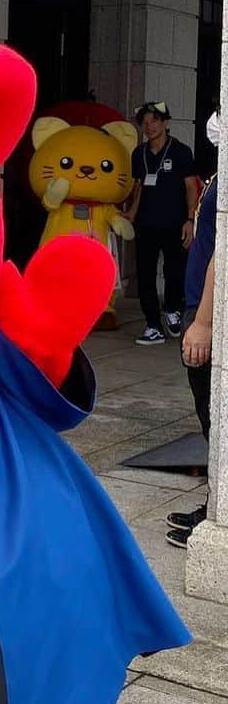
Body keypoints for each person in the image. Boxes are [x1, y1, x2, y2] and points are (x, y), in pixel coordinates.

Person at [166, 110, 219, 548]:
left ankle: (217, 512)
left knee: (213, 418)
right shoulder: (219, 175)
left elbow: (223, 255)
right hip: (197, 305)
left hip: (209, 315)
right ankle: (215, 505)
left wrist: (201, 322)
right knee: (210, 419)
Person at [124, 102, 199, 346]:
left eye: (154, 121)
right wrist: (132, 213)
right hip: (146, 223)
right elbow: (138, 186)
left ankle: (173, 310)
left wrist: (190, 219)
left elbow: (191, 186)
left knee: (174, 271)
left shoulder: (181, 151)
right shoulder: (139, 153)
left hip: (175, 223)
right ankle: (153, 325)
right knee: (144, 274)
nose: (149, 127)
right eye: (145, 123)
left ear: (165, 122)